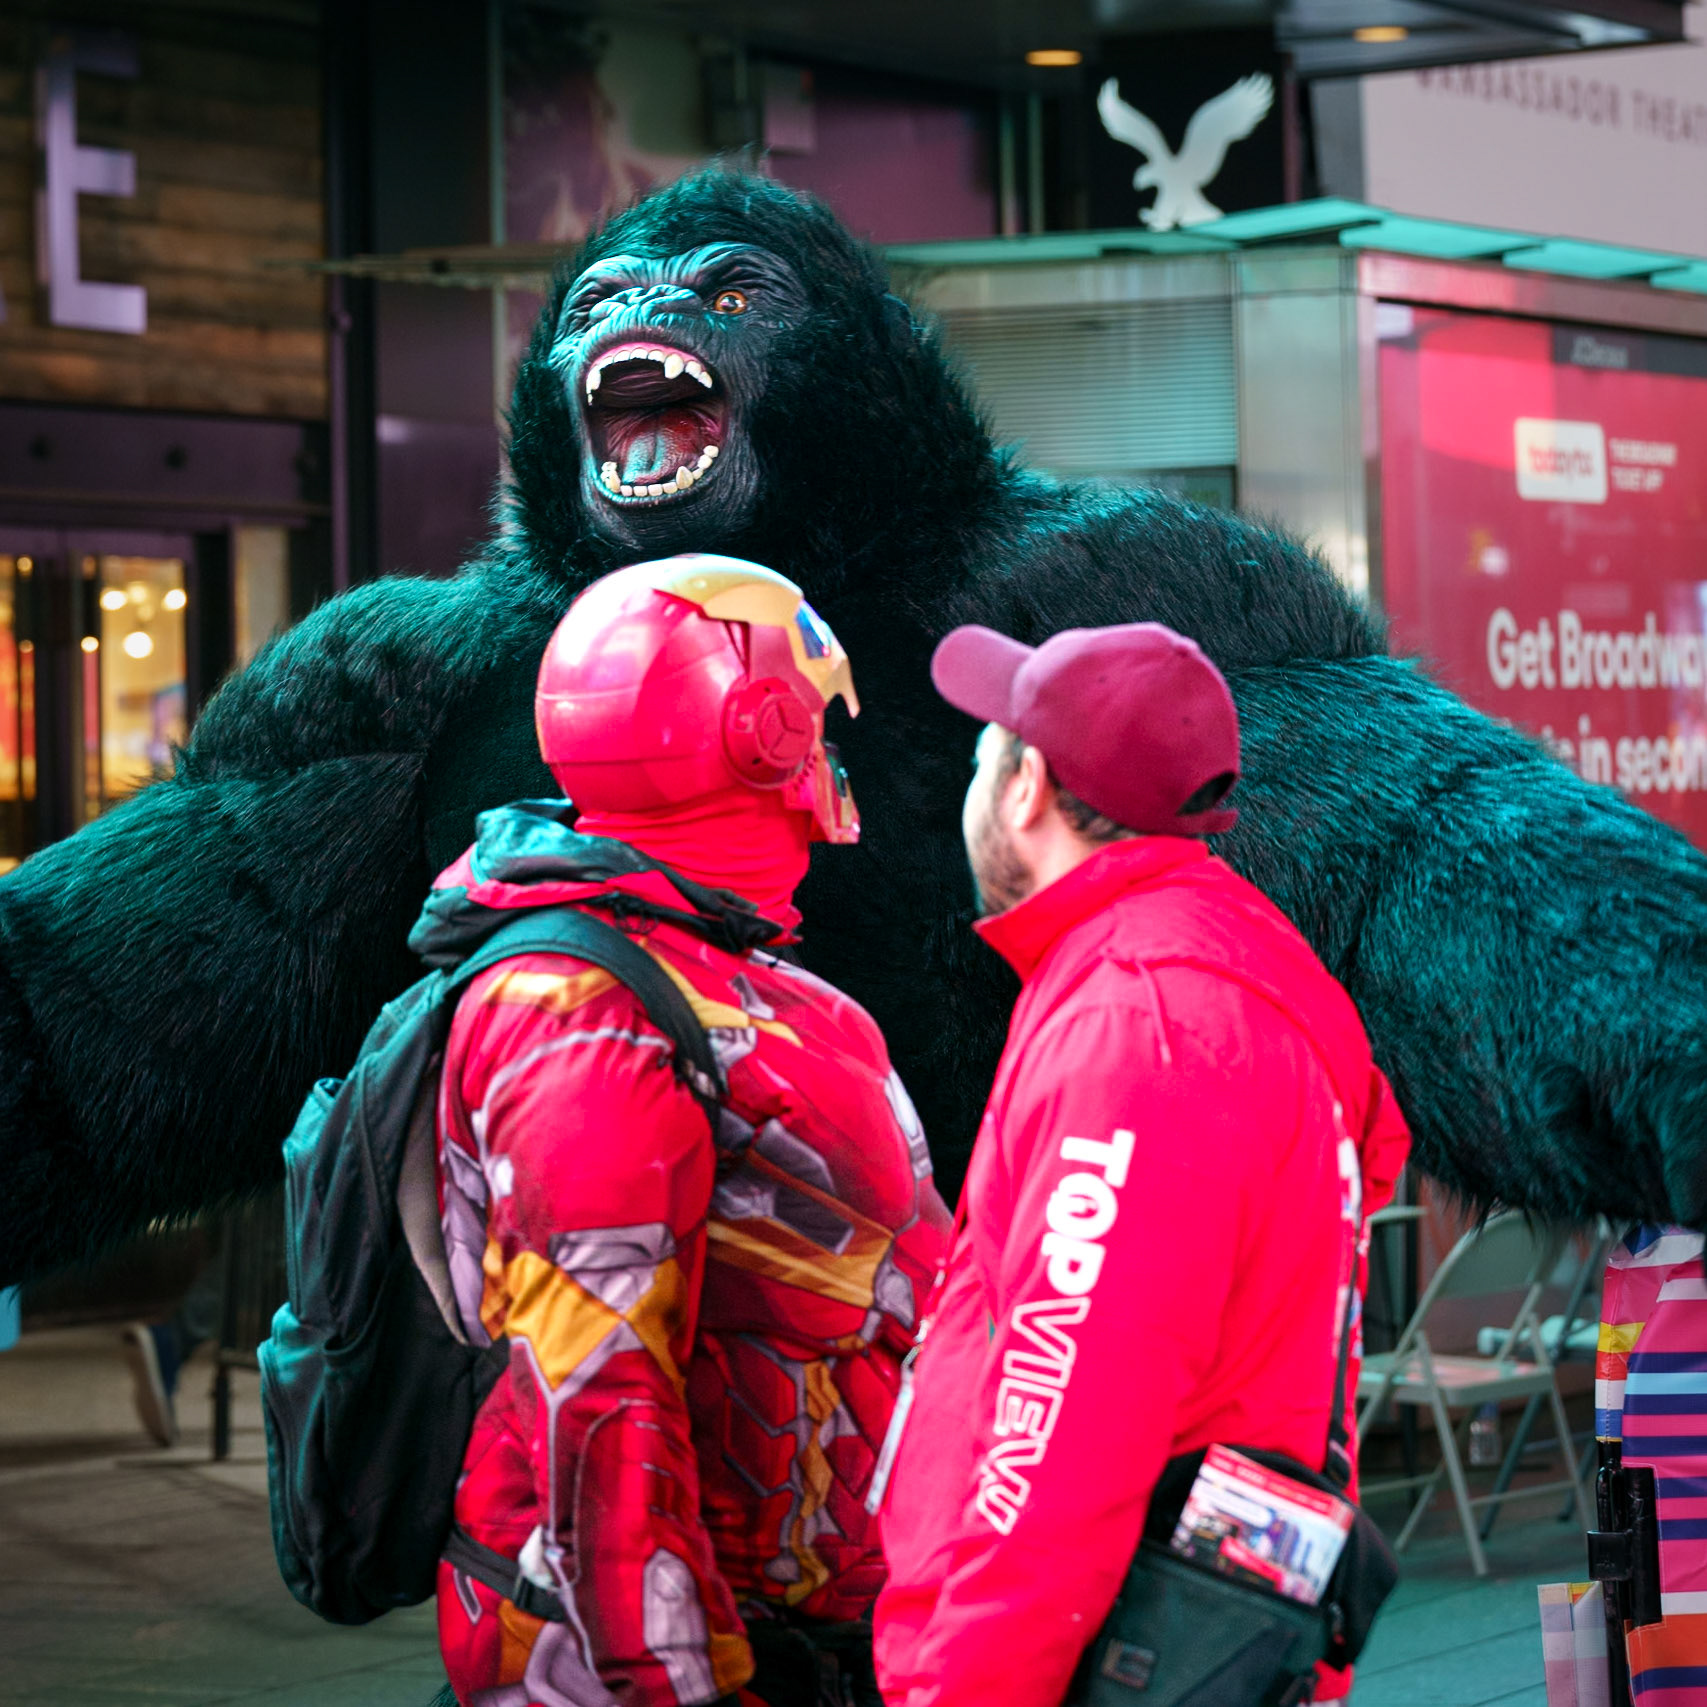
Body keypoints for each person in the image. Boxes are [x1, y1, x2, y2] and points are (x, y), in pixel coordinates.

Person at [425, 554, 951, 1707]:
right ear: (763, 732)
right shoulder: (576, 1011)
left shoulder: (710, 974)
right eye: (813, 721)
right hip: (687, 1652)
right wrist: (675, 1684)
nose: (827, 753)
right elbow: (592, 1392)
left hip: (815, 1623)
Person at [872, 621, 1412, 1707]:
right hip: (1198, 1640)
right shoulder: (1209, 965)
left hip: (1094, 1661)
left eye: (989, 749)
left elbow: (1060, 1439)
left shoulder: (1140, 1025)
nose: (975, 780)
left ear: (1028, 789)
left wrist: (959, 1688)